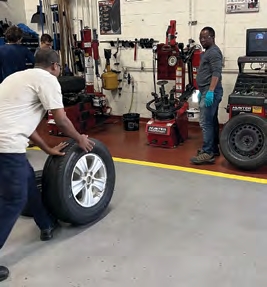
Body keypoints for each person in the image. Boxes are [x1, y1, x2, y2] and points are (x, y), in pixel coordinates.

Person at [0, 48, 95, 282]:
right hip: (6, 145)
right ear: (54, 66)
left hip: (7, 142)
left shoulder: (16, 78)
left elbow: (25, 123)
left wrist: (47, 149)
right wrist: (79, 138)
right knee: (14, 200)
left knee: (28, 179)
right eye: (59, 66)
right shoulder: (48, 80)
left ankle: (46, 224)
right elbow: (61, 120)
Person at [190, 26, 223, 165]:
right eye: (200, 38)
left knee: (205, 122)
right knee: (212, 121)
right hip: (205, 91)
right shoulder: (208, 52)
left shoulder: (214, 52)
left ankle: (208, 152)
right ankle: (213, 148)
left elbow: (216, 72)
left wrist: (210, 91)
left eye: (205, 37)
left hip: (210, 92)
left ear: (212, 37)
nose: (202, 40)